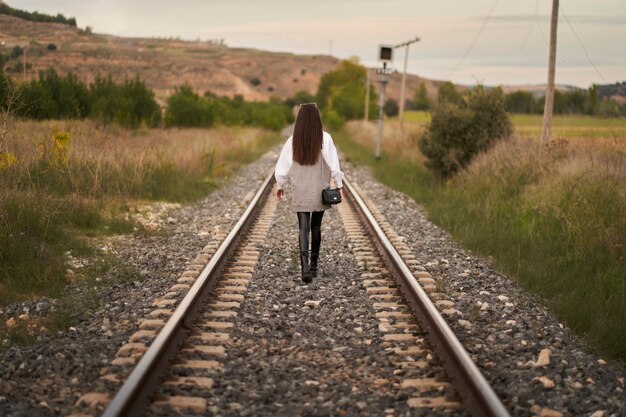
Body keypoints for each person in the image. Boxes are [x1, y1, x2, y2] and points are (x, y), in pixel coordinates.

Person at [274, 103, 344, 284]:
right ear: (317, 119)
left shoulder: (293, 140)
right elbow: (333, 164)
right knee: (316, 227)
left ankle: (304, 268)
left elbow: (283, 166)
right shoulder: (325, 138)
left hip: (301, 188)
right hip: (319, 187)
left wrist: (280, 185)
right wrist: (339, 184)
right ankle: (313, 268)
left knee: (302, 227)